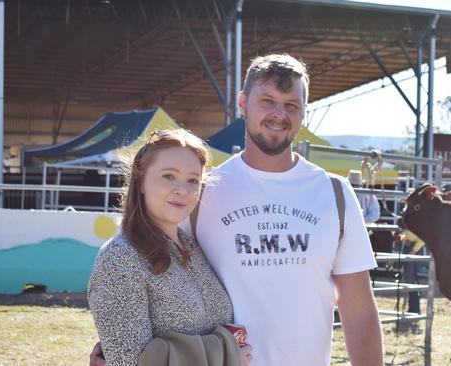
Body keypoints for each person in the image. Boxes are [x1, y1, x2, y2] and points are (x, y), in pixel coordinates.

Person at [91, 54, 383, 366]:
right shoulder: (203, 192)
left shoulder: (334, 194)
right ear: (243, 104)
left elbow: (360, 310)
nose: (279, 114)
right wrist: (118, 350)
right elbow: (148, 277)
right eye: (267, 100)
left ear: (303, 112)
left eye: (292, 105)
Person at [88, 129, 253, 366]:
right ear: (141, 179)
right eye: (168, 176)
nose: (182, 190)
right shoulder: (120, 257)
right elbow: (129, 362)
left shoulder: (193, 248)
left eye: (193, 180)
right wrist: (226, 353)